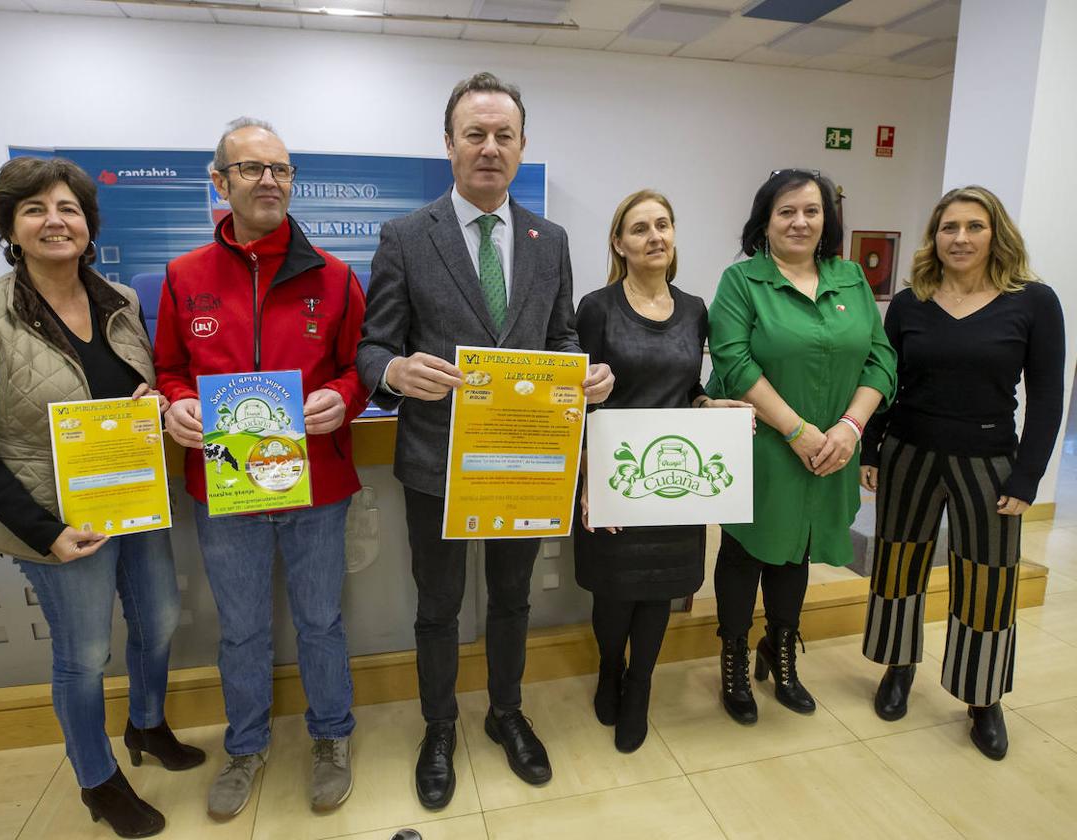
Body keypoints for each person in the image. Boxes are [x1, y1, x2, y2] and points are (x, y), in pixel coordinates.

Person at [357, 71, 614, 810]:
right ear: (449, 146)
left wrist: (582, 377)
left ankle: (505, 713)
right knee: (437, 605)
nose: (490, 148)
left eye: (505, 135)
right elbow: (373, 349)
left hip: (525, 461)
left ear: (522, 145)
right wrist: (399, 371)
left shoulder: (550, 238)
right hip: (436, 462)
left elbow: (560, 336)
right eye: (475, 134)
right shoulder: (405, 237)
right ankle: (440, 728)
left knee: (511, 600)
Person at [0, 157, 203, 839]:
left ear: (89, 225)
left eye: (68, 208)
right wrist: (44, 531)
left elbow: (134, 393)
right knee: (83, 653)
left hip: (134, 499)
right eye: (34, 209)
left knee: (160, 619)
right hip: (58, 522)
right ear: (11, 227)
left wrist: (152, 402)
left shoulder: (121, 301)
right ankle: (96, 777)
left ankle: (146, 724)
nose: (54, 221)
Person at [153, 118, 369, 819]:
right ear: (220, 181)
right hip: (225, 485)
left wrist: (344, 396)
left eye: (280, 169)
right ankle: (245, 747)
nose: (269, 180)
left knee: (321, 622)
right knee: (240, 627)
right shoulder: (185, 277)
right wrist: (176, 406)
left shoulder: (334, 277)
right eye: (251, 169)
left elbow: (360, 367)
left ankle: (332, 737)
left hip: (316, 484)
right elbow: (167, 370)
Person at [859, 186, 1064, 760]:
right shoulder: (910, 303)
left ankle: (982, 698)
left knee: (989, 580)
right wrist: (872, 448)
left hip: (990, 464)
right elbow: (885, 379)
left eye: (974, 226)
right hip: (910, 453)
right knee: (899, 565)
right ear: (935, 237)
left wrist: (1028, 478)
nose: (961, 238)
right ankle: (898, 667)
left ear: (995, 233)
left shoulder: (1034, 303)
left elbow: (1048, 397)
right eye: (949, 227)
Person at [705, 168, 897, 725]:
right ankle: (735, 657)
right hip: (762, 445)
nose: (800, 221)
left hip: (833, 448)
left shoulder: (852, 278)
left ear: (827, 220)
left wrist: (850, 429)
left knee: (799, 550)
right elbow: (733, 361)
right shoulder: (742, 281)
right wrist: (797, 431)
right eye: (786, 211)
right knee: (746, 551)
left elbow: (881, 359)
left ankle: (781, 650)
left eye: (811, 211)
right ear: (765, 220)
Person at [575, 189, 750, 753]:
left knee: (659, 592)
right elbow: (577, 399)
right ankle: (609, 667)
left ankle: (640, 685)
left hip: (675, 482)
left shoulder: (696, 308)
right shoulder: (596, 308)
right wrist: (584, 482)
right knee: (614, 592)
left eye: (664, 225)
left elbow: (688, 389)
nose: (655, 236)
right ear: (618, 243)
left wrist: (709, 407)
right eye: (640, 228)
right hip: (616, 476)